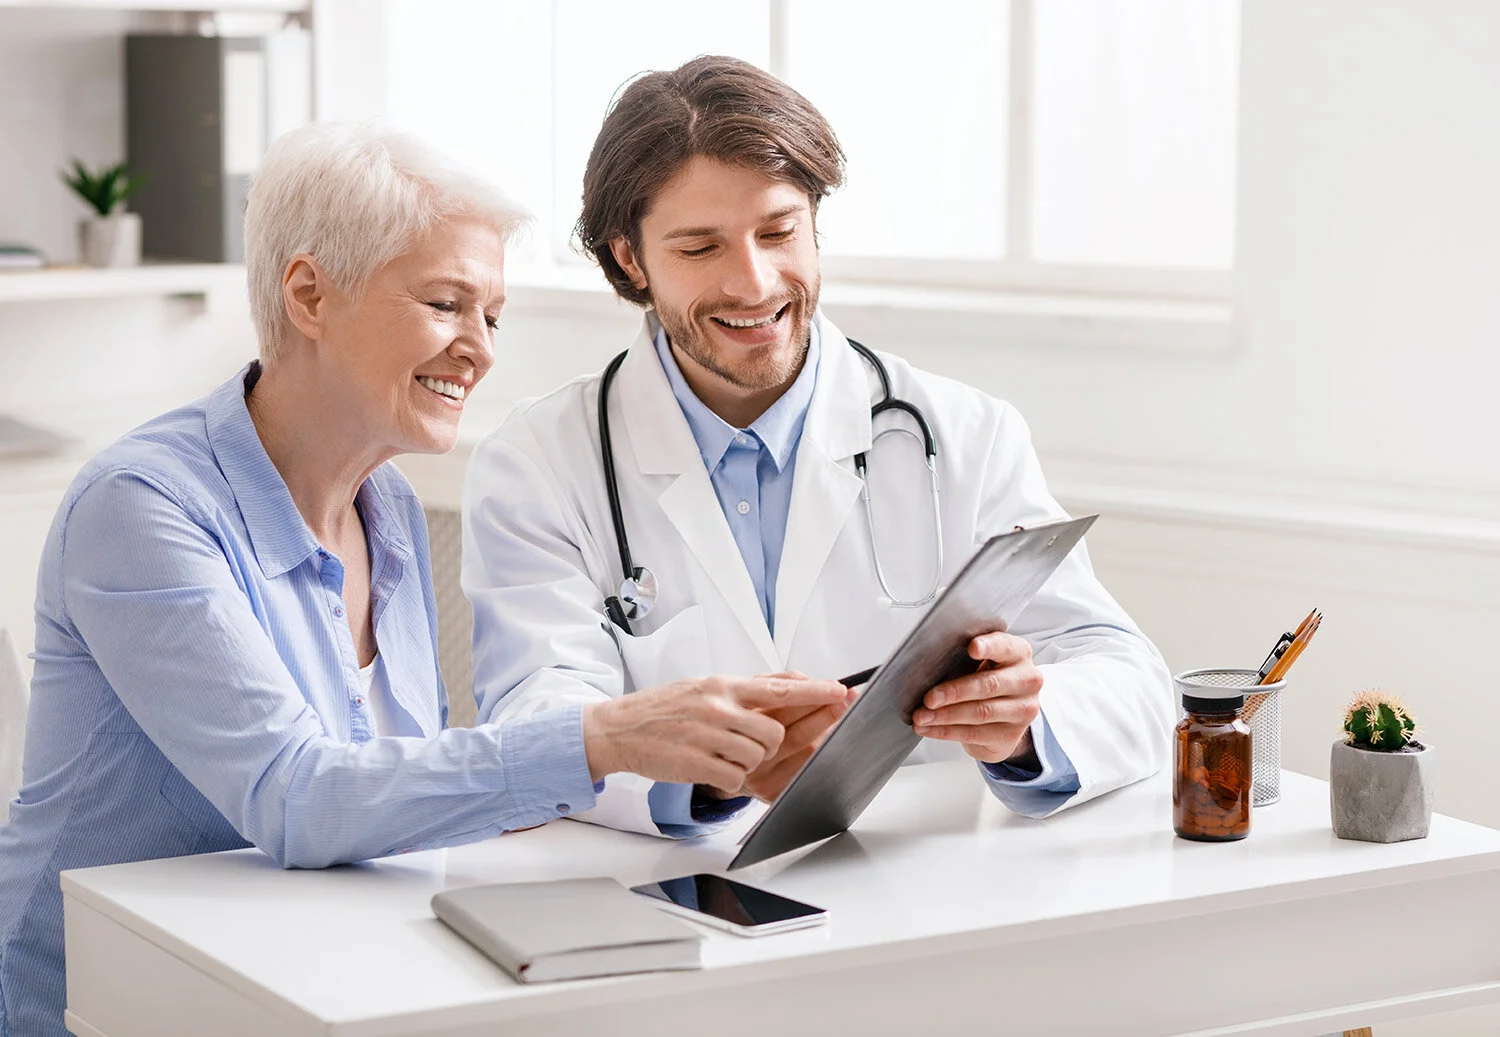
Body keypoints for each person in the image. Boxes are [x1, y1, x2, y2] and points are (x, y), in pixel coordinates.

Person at [0, 122, 846, 1037]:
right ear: (310, 294)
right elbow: (299, 797)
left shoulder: (386, 508)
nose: (479, 348)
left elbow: (392, 789)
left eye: (492, 316)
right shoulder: (144, 506)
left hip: (303, 980)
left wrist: (678, 762)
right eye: (447, 303)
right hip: (101, 1005)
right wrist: (604, 736)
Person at [462, 55, 1175, 838]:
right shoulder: (535, 463)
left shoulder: (966, 434)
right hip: (666, 894)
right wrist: (706, 768)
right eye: (700, 249)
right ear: (629, 257)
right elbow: (534, 722)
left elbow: (1130, 677)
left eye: (778, 231)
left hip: (925, 891)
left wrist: (1026, 724)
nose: (755, 283)